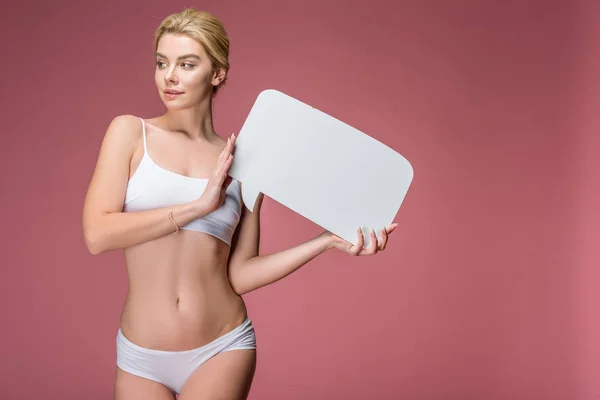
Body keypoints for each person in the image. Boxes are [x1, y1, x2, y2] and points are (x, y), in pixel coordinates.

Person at [82, 8, 398, 400]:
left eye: (187, 63)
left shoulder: (244, 162)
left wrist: (325, 240)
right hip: (140, 356)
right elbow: (97, 234)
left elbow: (239, 274)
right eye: (162, 63)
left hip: (221, 347)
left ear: (217, 73)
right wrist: (195, 208)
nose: (170, 76)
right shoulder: (130, 133)